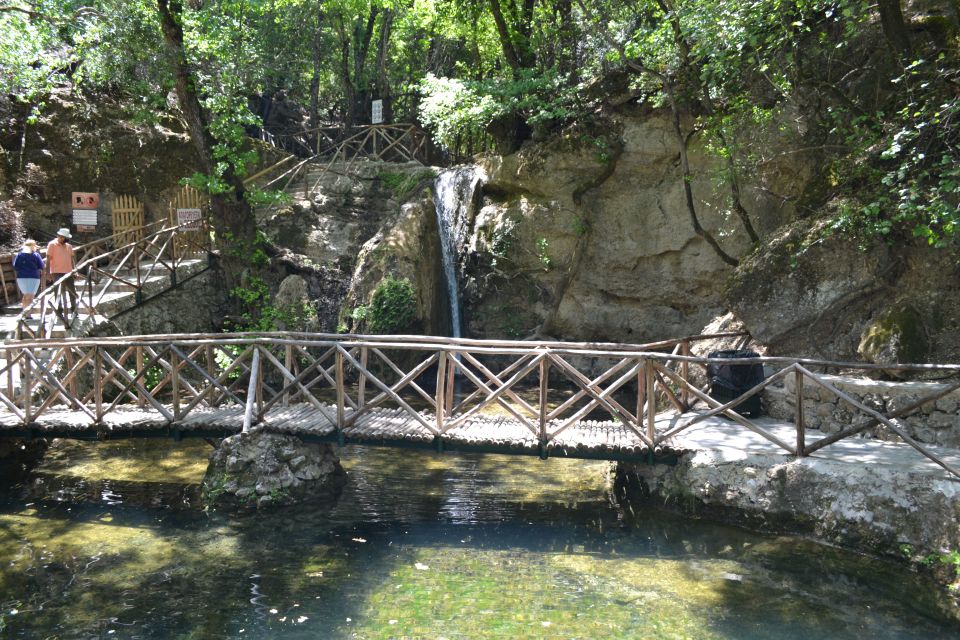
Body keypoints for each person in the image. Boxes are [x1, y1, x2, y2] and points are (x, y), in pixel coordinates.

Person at [46, 228, 76, 313]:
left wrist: (74, 270)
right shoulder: (52, 244)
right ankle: (59, 309)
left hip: (68, 271)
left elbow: (71, 259)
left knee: (72, 290)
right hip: (56, 271)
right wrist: (48, 273)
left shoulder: (69, 246)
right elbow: (48, 259)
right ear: (61, 237)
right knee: (58, 291)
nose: (67, 240)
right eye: (65, 238)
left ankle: (74, 308)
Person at [12, 239, 44, 309]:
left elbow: (16, 266)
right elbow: (41, 266)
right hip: (34, 277)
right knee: (30, 296)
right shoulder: (36, 255)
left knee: (26, 295)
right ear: (32, 246)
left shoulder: (19, 255)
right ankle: (27, 314)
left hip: (21, 277)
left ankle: (25, 313)